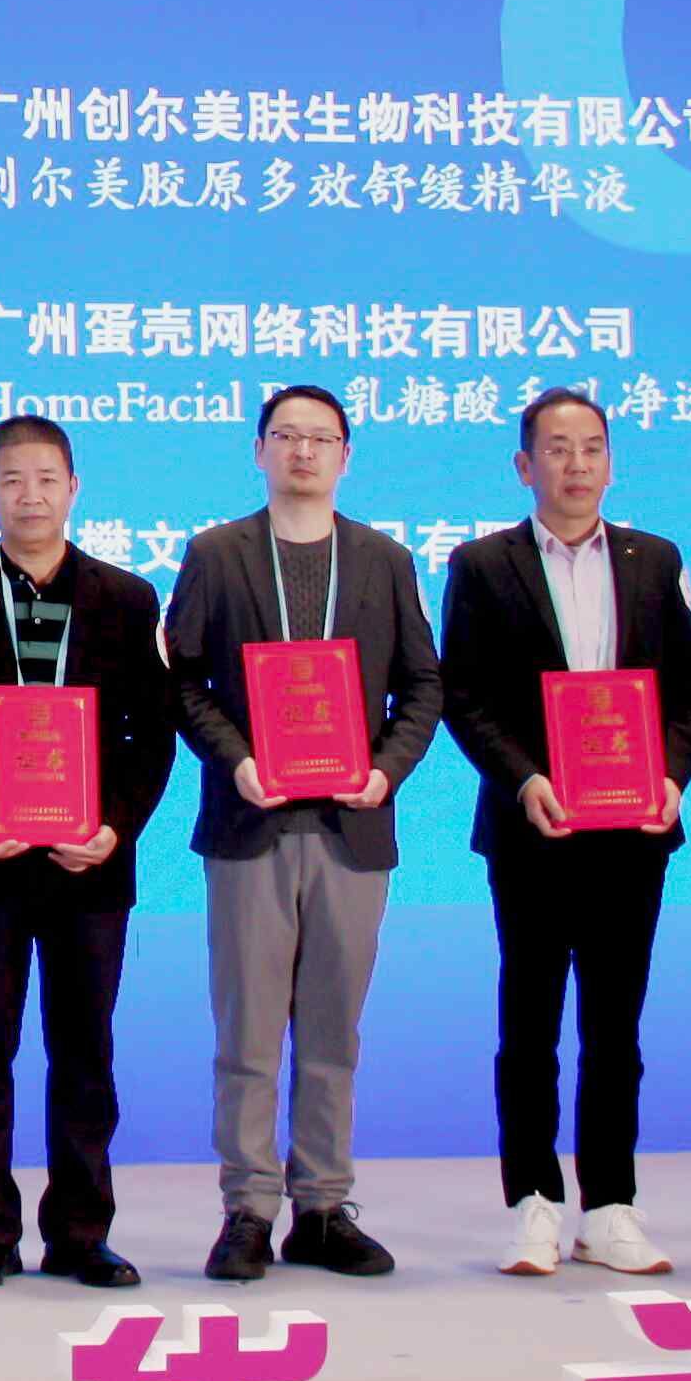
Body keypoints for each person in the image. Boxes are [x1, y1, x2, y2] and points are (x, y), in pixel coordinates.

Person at [166, 383, 440, 1285]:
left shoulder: (385, 560)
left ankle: (323, 1206)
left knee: (333, 1031)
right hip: (250, 822)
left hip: (351, 827)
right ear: (260, 451)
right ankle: (247, 1207)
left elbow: (423, 685)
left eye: (321, 438)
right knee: (247, 1032)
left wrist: (384, 771)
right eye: (286, 435)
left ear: (346, 456)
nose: (304, 452)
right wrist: (235, 759)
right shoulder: (216, 553)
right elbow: (182, 681)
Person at [440, 388, 691, 1281]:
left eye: (591, 447)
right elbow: (464, 696)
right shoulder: (483, 565)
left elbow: (690, 697)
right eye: (556, 449)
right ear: (525, 466)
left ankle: (611, 1205)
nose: (576, 464)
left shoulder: (655, 559)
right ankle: (532, 1201)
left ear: (611, 462)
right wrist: (524, 780)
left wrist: (670, 779)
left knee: (615, 1026)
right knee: (529, 1023)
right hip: (533, 827)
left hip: (632, 831)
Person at [0, 412, 172, 1290]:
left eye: (47, 479)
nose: (30, 496)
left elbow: (151, 733)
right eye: (12, 480)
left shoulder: (127, 598)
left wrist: (115, 827)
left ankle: (81, 1233)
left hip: (90, 865)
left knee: (85, 1051)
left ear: (74, 488)